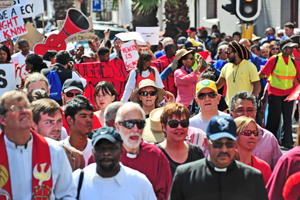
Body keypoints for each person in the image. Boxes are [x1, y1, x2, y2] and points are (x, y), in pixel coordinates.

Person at [168, 115, 269, 200]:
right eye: (217, 143)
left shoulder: (253, 177)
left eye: (229, 144)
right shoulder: (185, 175)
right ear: (206, 143)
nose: (224, 149)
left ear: (236, 142)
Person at [0, 90, 76, 199]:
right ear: (2, 119)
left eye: (26, 106)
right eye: (16, 108)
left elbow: (67, 194)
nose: (24, 111)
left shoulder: (53, 150)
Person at [73, 127, 156, 200]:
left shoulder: (140, 183)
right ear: (93, 151)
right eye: (100, 148)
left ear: (120, 151)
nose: (106, 153)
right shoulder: (77, 180)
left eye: (112, 148)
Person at [115, 102, 172, 200]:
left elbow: (166, 194)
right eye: (129, 124)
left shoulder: (156, 156)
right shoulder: (104, 156)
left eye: (140, 124)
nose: (135, 129)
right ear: (117, 126)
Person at [259, 39, 300, 148]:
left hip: (289, 95)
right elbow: (262, 74)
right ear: (283, 48)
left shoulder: (294, 61)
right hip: (275, 94)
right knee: (274, 119)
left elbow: (298, 78)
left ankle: (287, 142)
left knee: (288, 120)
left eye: (292, 47)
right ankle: (268, 142)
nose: (291, 49)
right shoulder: (274, 60)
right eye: (289, 47)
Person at [229, 91, 282, 170]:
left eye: (250, 110)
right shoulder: (223, 138)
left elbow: (279, 170)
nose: (245, 114)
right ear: (231, 114)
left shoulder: (268, 138)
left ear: (255, 113)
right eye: (240, 110)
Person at [32, 98, 85, 171]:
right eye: (49, 122)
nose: (56, 127)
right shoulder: (20, 156)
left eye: (59, 121)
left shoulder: (76, 158)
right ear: (34, 124)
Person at [157, 103, 204, 176]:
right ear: (164, 127)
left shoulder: (197, 152)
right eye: (173, 123)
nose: (179, 127)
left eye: (184, 123)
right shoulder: (155, 155)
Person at [216, 41, 261, 106]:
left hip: (244, 107)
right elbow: (218, 85)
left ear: (236, 53)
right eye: (226, 52)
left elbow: (257, 87)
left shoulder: (250, 66)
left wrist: (250, 101)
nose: (227, 55)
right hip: (229, 107)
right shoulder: (226, 67)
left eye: (228, 52)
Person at [234, 116, 272, 185]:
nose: (252, 136)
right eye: (247, 133)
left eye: (255, 133)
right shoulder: (224, 166)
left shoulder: (264, 167)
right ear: (235, 136)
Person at [62, 95, 94, 166]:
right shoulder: (58, 150)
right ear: (69, 120)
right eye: (83, 116)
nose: (89, 120)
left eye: (91, 116)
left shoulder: (97, 149)